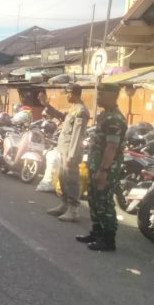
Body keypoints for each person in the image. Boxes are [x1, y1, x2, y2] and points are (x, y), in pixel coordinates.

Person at [76, 83, 126, 251]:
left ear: (113, 96)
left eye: (102, 95)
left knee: (104, 202)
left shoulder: (115, 119)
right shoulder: (105, 115)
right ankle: (96, 232)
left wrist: (103, 171)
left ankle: (108, 239)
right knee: (94, 199)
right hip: (95, 164)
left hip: (106, 168)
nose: (99, 98)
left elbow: (111, 148)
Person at [41, 84, 90, 222]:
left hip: (71, 152)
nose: (66, 96)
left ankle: (73, 210)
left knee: (71, 181)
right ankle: (64, 204)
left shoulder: (81, 111)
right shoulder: (73, 109)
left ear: (73, 94)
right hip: (64, 150)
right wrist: (47, 106)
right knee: (62, 178)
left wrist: (72, 155)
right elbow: (62, 117)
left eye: (67, 93)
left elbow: (77, 135)